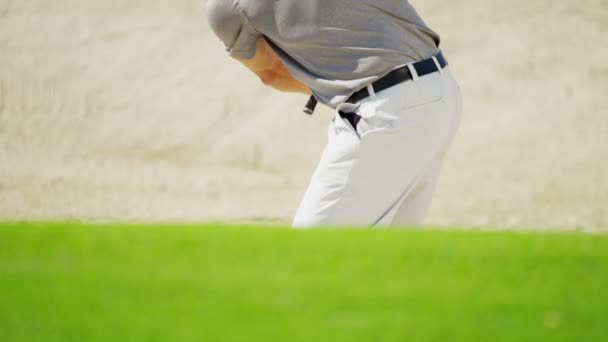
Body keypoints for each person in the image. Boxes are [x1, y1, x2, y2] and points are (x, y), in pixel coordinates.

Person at [206, 0, 462, 228]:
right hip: (441, 90)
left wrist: (331, 84)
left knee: (310, 257)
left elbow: (271, 72)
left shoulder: (225, 6)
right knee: (386, 264)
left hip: (389, 110)